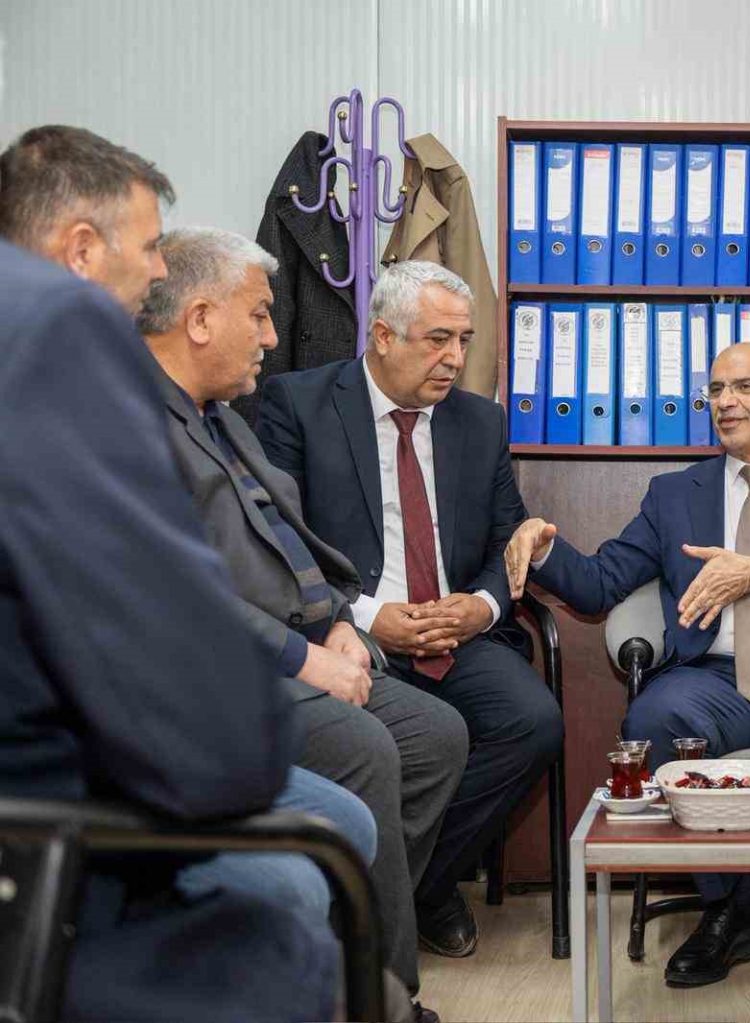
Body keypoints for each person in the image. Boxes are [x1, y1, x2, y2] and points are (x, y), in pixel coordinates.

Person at [0, 215, 338, 1021]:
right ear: (81, 248)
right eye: (151, 248)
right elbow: (231, 752)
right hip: (54, 885)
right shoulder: (70, 375)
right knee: (295, 939)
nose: (160, 272)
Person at [135, 227, 465, 1019]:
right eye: (259, 315)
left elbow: (289, 536)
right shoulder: (134, 421)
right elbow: (174, 593)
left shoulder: (221, 416)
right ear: (201, 318)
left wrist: (338, 619)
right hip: (224, 666)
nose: (272, 336)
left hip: (309, 636)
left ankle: (345, 936)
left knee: (436, 735)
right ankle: (382, 991)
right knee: (365, 749)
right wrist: (301, 656)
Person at [503, 342, 750, 991]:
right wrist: (543, 548)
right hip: (711, 676)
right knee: (654, 716)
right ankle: (729, 908)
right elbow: (600, 583)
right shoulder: (674, 495)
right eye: (715, 389)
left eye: (744, 386)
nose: (725, 401)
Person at [256, 259, 564, 957]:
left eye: (464, 339)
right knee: (406, 739)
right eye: (438, 339)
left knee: (534, 722)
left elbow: (507, 536)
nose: (454, 358)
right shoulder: (298, 404)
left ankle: (419, 884)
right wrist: (365, 615)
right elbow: (280, 541)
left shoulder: (479, 421)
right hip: (355, 632)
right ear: (384, 335)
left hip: (459, 634)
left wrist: (482, 606)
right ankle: (395, 901)